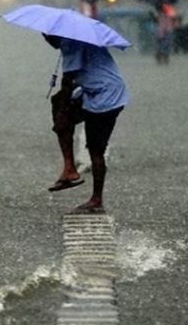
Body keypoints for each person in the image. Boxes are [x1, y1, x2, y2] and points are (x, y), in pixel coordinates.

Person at [45, 33, 129, 212]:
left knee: (95, 148)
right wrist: (62, 108)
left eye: (47, 36)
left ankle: (96, 199)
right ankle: (69, 168)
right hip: (92, 90)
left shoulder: (70, 42)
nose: (47, 41)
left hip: (106, 96)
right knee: (59, 105)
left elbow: (68, 80)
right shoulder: (72, 40)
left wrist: (64, 111)